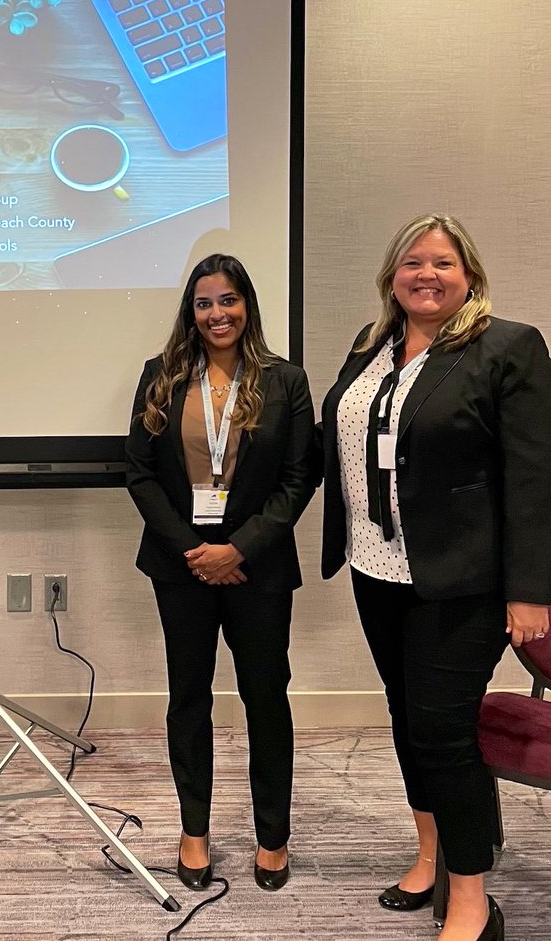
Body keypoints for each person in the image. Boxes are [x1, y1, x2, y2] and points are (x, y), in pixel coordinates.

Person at [319, 213, 551, 941]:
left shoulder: (507, 346)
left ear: (470, 275)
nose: (427, 274)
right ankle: (429, 853)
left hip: (464, 578)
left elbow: (534, 476)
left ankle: (472, 898)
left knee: (443, 730)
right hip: (375, 566)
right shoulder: (371, 344)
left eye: (443, 262)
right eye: (412, 262)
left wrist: (531, 590)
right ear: (392, 276)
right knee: (406, 718)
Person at [126, 254, 317, 893]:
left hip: (258, 569)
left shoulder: (286, 381)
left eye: (228, 300)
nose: (217, 314)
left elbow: (299, 478)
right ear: (191, 311)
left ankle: (273, 836)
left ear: (247, 306)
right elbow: (140, 474)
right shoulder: (160, 377)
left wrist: (238, 549)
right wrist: (195, 552)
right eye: (205, 303)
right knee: (189, 697)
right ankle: (194, 830)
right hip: (180, 567)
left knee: (266, 699)